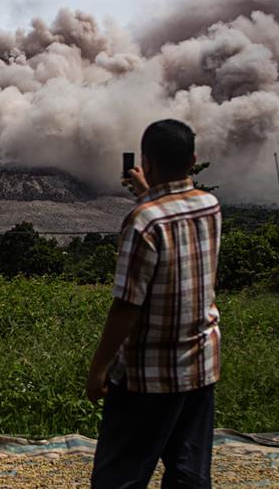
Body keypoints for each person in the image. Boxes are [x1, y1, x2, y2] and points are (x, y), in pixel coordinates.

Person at [86, 119, 221, 489]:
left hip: (148, 375)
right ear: (193, 159)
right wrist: (146, 192)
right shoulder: (209, 205)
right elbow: (171, 214)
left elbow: (126, 307)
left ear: (146, 161)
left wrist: (99, 368)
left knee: (119, 476)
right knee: (188, 470)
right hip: (199, 366)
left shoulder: (143, 222)